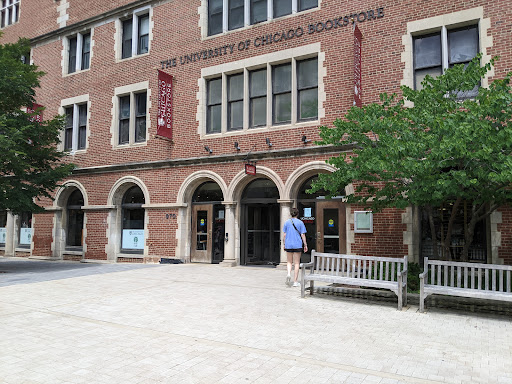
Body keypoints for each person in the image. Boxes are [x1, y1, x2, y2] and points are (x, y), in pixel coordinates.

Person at [282, 207, 307, 287]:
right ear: (297, 214)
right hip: (297, 244)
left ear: (290, 214)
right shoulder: (300, 223)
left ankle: (289, 273)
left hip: (288, 244)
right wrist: (305, 244)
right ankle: (295, 281)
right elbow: (302, 234)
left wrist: (284, 244)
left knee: (289, 262)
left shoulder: (286, 222)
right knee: (296, 263)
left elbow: (284, 235)